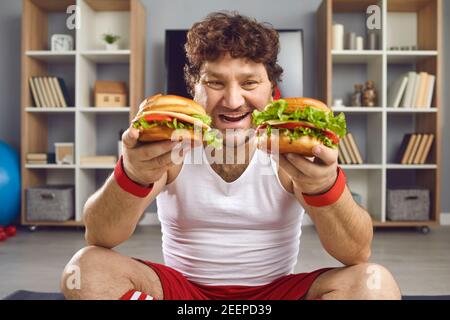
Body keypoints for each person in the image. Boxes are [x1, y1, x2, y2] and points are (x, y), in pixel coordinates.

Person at [61, 12, 401, 300]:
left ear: (272, 89)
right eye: (215, 83)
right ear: (193, 87)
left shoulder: (290, 150)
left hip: (274, 295)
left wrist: (326, 185)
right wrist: (131, 174)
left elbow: (356, 252)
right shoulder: (168, 147)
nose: (234, 100)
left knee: (374, 283)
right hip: (184, 295)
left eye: (250, 83)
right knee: (84, 268)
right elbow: (100, 236)